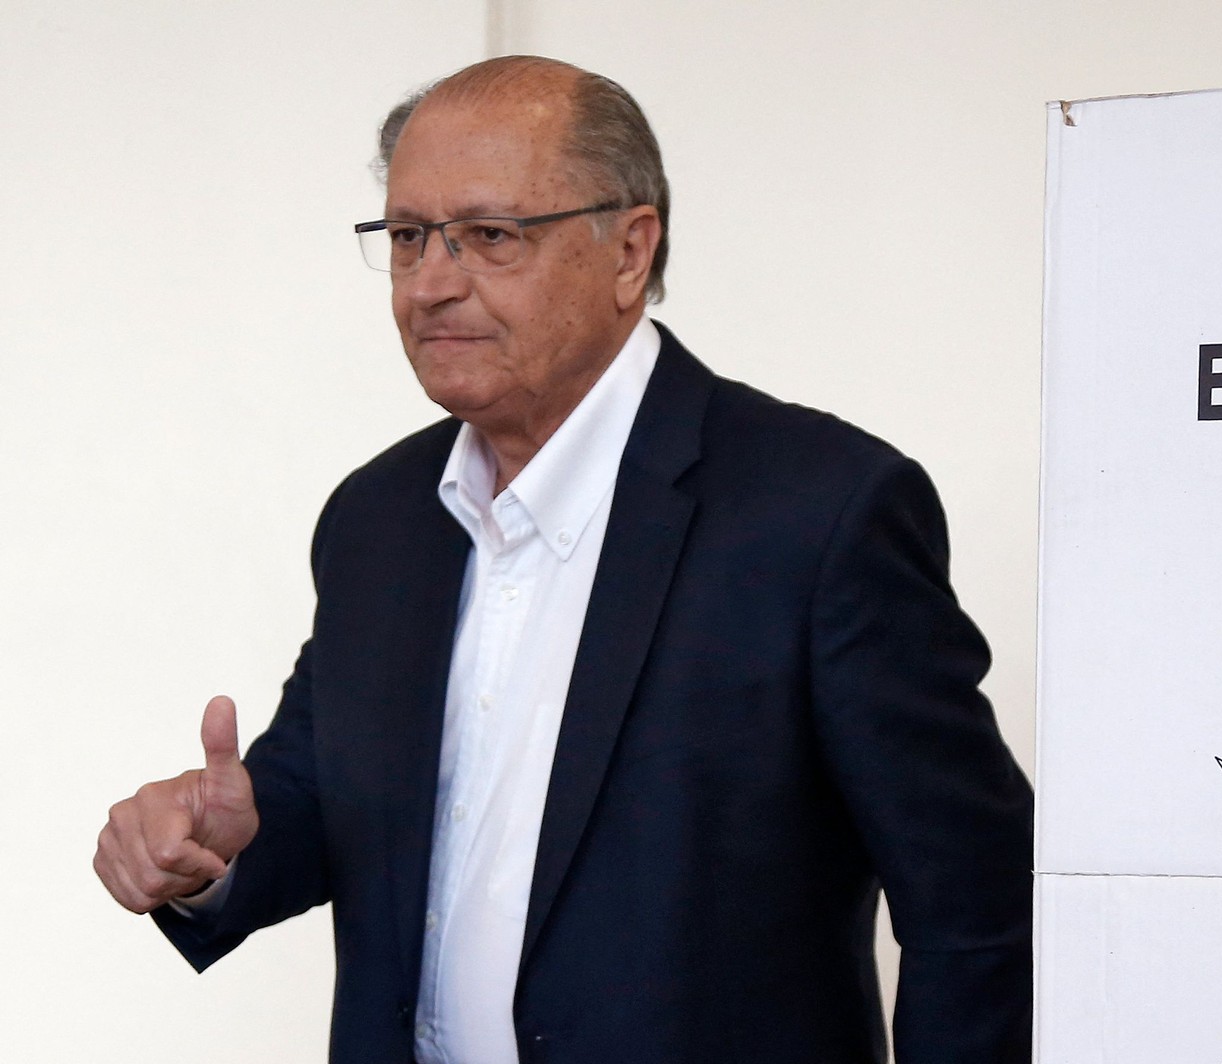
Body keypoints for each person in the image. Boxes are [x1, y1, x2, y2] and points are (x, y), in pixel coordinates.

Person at [93, 55, 1032, 1064]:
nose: (433, 284)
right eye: (408, 238)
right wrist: (215, 850)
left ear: (630, 250)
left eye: (490, 237)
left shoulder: (819, 513)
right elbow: (329, 799)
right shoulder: (377, 518)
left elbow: (974, 908)